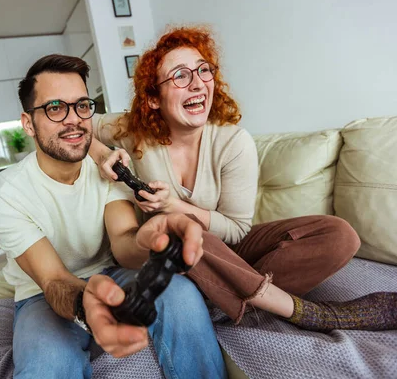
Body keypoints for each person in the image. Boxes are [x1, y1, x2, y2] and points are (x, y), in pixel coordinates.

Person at [89, 26, 397, 332]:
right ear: (154, 98)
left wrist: (175, 205)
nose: (197, 84)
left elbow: (236, 231)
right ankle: (314, 314)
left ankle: (220, 299)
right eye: (180, 76)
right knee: (182, 233)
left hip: (224, 251)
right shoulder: (134, 130)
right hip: (172, 255)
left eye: (203, 71)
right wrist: (103, 154)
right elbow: (79, 124)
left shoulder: (233, 142)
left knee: (340, 234)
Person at [0, 54, 226, 379]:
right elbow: (53, 279)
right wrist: (86, 306)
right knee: (46, 364)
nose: (74, 119)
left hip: (112, 273)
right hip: (41, 294)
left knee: (181, 295)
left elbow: (124, 244)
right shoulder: (6, 195)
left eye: (82, 105)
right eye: (55, 108)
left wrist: (151, 239)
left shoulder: (108, 171)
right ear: (28, 123)